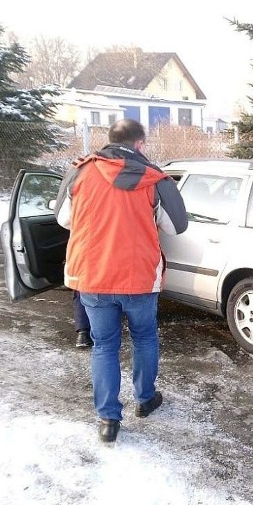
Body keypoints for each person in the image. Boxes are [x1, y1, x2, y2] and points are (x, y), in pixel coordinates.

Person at [54, 119, 188, 442]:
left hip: (94, 276)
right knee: (143, 338)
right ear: (140, 144)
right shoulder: (154, 179)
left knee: (104, 346)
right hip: (138, 278)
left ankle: (108, 421)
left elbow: (62, 219)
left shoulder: (80, 172)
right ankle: (144, 399)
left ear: (109, 140)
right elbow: (177, 226)